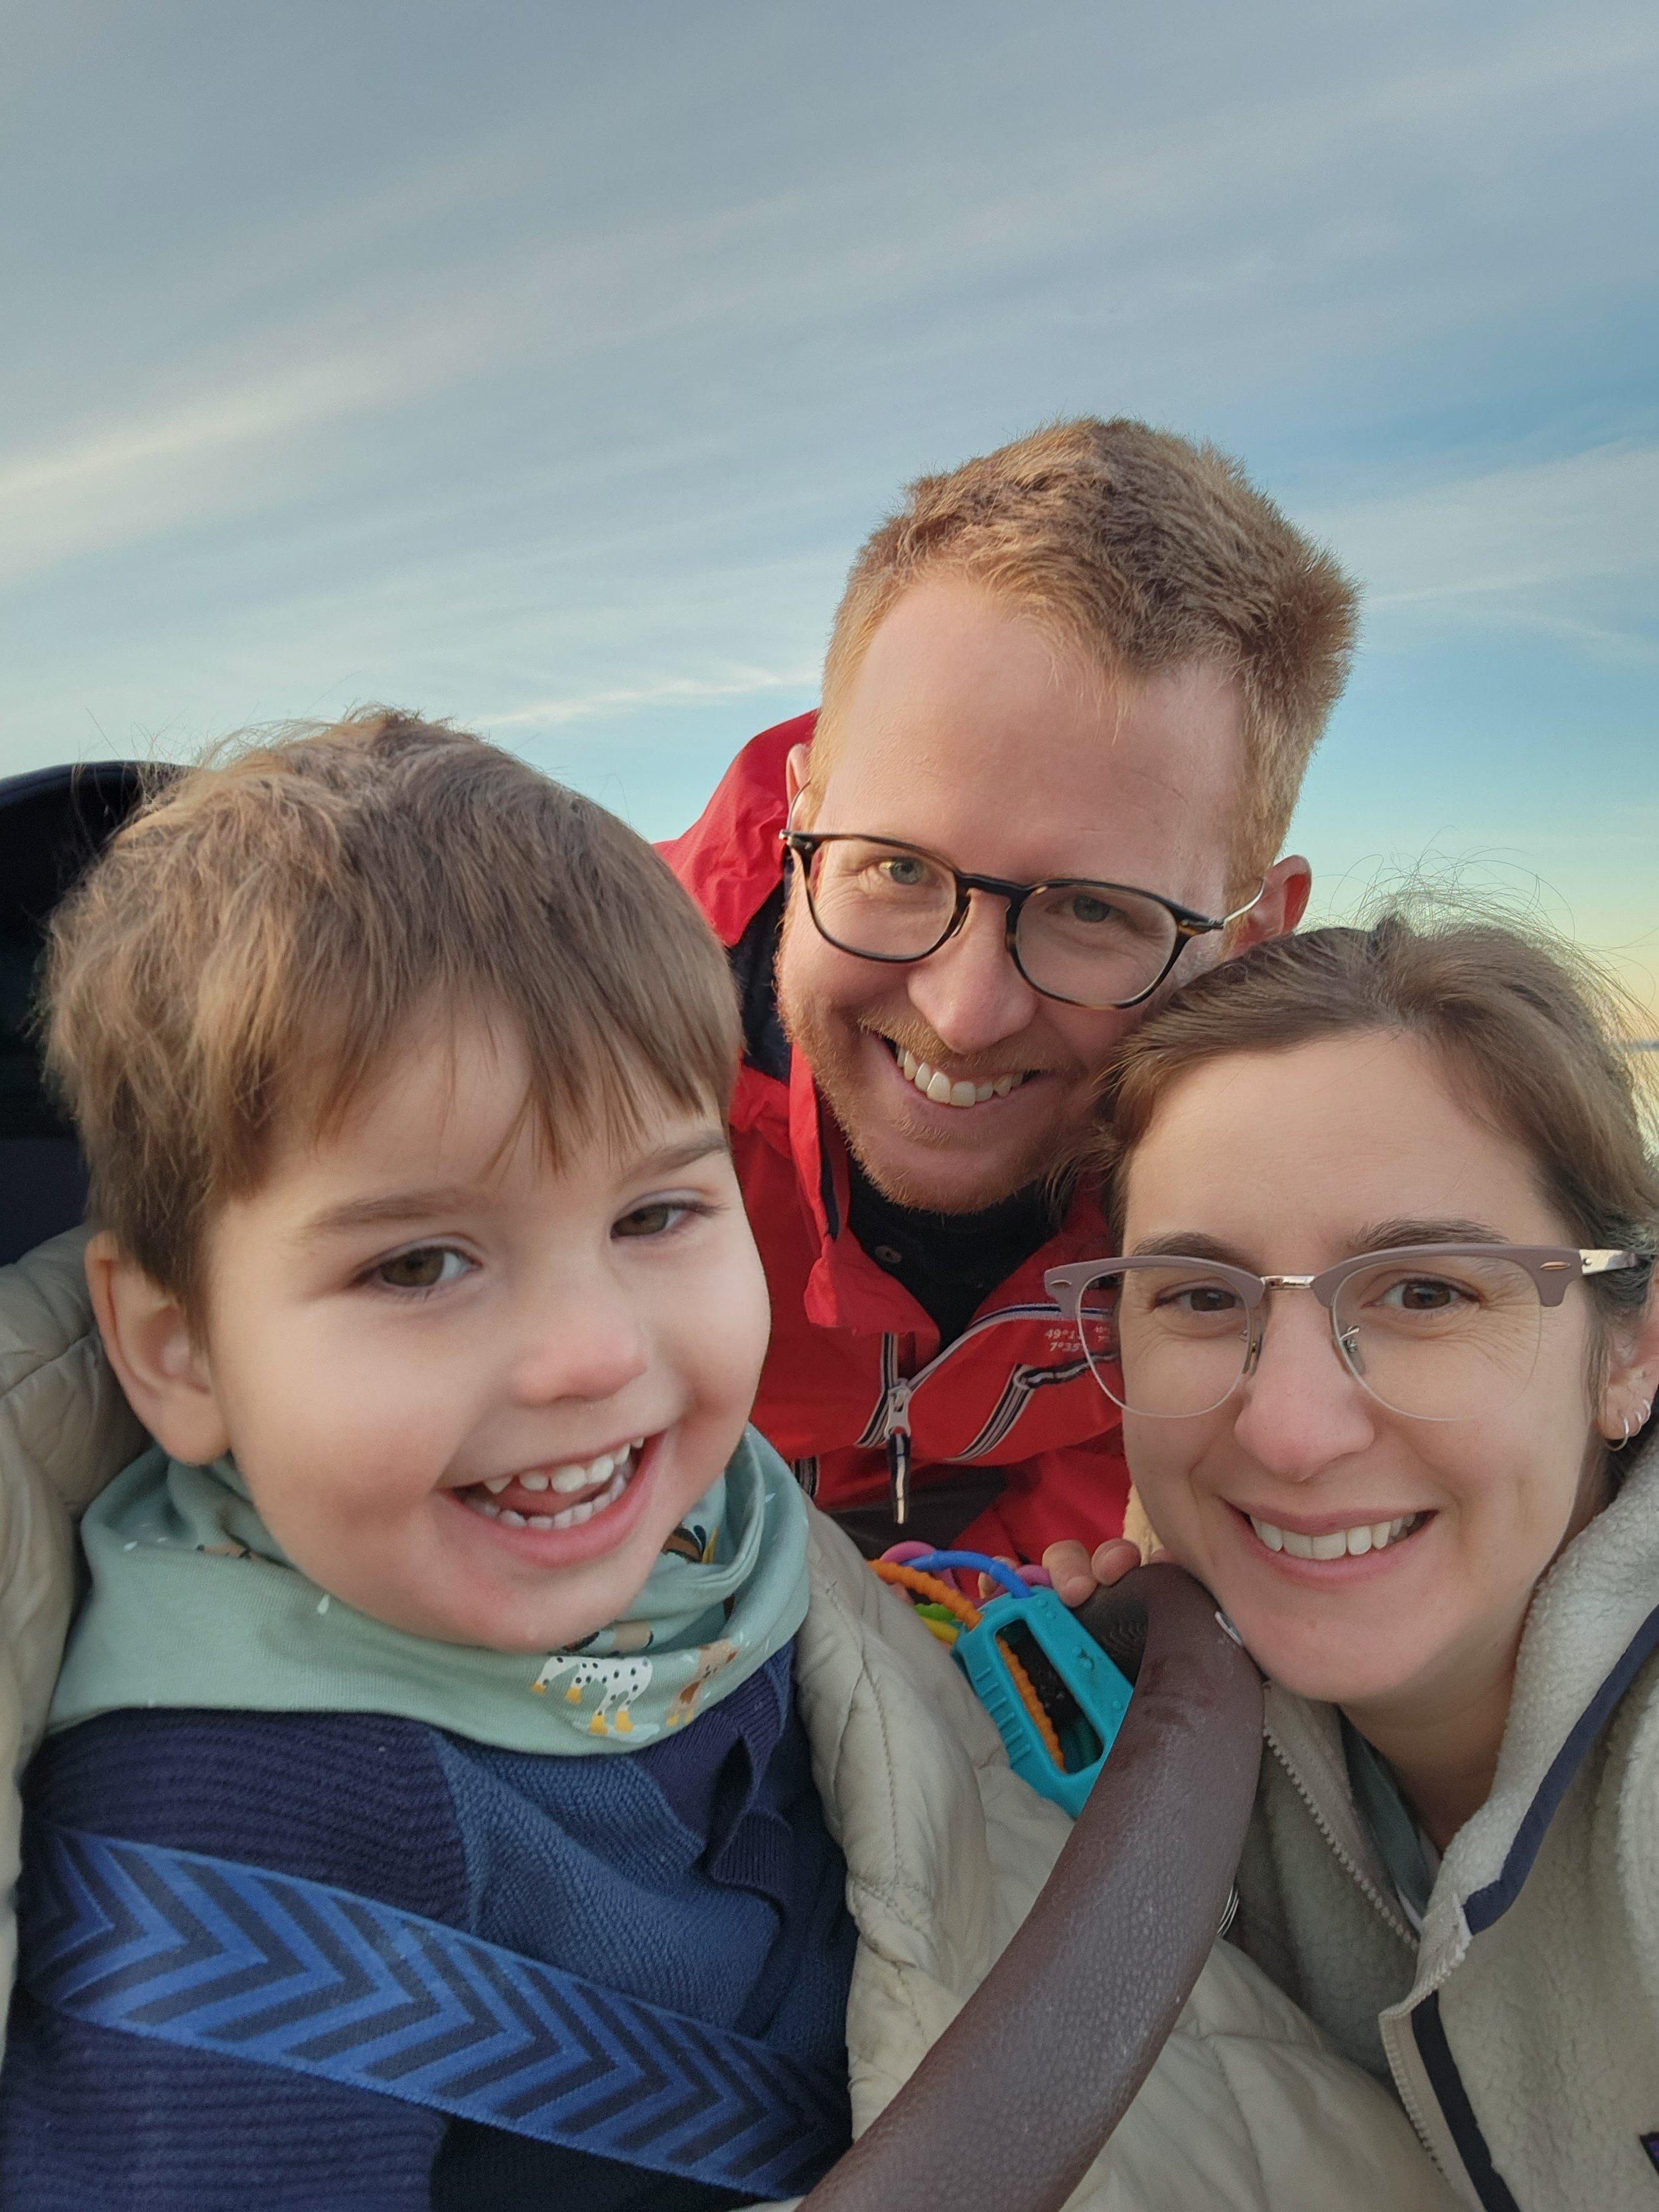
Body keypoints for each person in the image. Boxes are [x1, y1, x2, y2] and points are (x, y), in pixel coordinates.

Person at [0, 713, 1450, 2211]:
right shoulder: (236, 1865)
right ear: (175, 1349)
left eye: (653, 1218)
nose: (592, 1354)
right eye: (421, 1262)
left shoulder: (708, 1529)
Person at [662, 417, 1358, 1564]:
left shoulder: (1277, 1177)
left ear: (1252, 936)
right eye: (896, 866)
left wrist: (969, 1621)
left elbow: (1138, 1443)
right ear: (799, 812)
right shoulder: (554, 1053)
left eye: (1093, 910)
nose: (963, 1012)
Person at [1046, 915, 1659, 2210]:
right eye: (1200, 1296)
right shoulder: (1141, 1718)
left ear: (1628, 1351)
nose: (1287, 1427)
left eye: (1423, 1290)